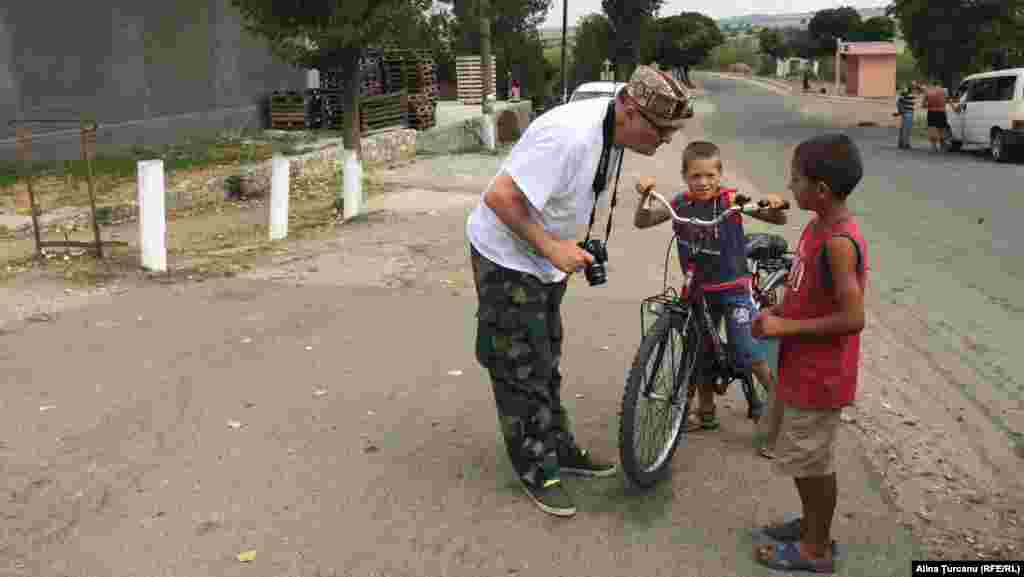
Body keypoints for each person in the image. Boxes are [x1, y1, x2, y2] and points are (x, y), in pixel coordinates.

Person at [467, 65, 692, 517]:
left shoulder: (615, 134)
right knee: (519, 366)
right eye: (660, 130)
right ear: (628, 108)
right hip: (508, 260)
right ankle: (536, 468)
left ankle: (558, 448)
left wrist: (566, 249)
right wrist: (552, 247)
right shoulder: (568, 135)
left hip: (544, 263)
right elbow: (501, 196)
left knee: (545, 356)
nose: (665, 141)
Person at [750, 133, 869, 574]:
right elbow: (806, 292)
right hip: (798, 366)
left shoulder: (839, 241)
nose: (789, 185)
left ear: (820, 189)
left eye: (795, 179)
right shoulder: (815, 225)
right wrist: (778, 311)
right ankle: (811, 524)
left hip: (821, 376)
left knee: (813, 463)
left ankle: (815, 549)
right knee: (802, 459)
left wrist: (786, 326)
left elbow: (853, 317)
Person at [633, 141, 788, 435]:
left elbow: (777, 217)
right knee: (699, 351)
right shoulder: (680, 203)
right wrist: (645, 198)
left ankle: (779, 412)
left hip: (732, 288)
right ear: (684, 176)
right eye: (695, 176)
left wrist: (773, 204)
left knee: (745, 351)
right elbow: (642, 222)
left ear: (720, 176)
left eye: (709, 176)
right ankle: (705, 411)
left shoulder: (730, 201)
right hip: (698, 291)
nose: (703, 182)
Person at [923, 82, 949, 152]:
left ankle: (934, 146)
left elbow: (924, 104)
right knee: (942, 129)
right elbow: (947, 100)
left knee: (932, 129)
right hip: (941, 112)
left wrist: (928, 105)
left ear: (932, 85)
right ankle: (942, 145)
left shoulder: (927, 91)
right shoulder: (944, 90)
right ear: (939, 85)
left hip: (931, 112)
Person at [895, 84, 916, 149]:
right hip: (908, 113)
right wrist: (901, 111)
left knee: (903, 128)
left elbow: (898, 103)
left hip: (906, 113)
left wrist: (900, 112)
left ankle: (901, 143)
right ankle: (906, 143)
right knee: (907, 129)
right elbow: (898, 103)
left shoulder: (905, 95)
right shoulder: (906, 95)